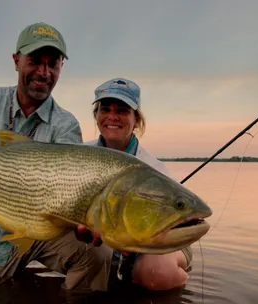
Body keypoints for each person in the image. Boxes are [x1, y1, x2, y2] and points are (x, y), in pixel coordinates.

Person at [0, 22, 112, 291]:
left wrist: (85, 219)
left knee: (98, 254)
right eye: (34, 60)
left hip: (44, 231)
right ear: (16, 60)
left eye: (52, 63)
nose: (43, 72)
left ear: (61, 67)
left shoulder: (67, 125)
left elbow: (71, 191)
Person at [81, 77, 193, 291]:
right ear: (97, 115)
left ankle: (178, 281)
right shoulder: (80, 155)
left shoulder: (154, 169)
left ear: (136, 119)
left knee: (157, 274)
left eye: (122, 110)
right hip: (106, 249)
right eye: (105, 109)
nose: (112, 117)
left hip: (162, 242)